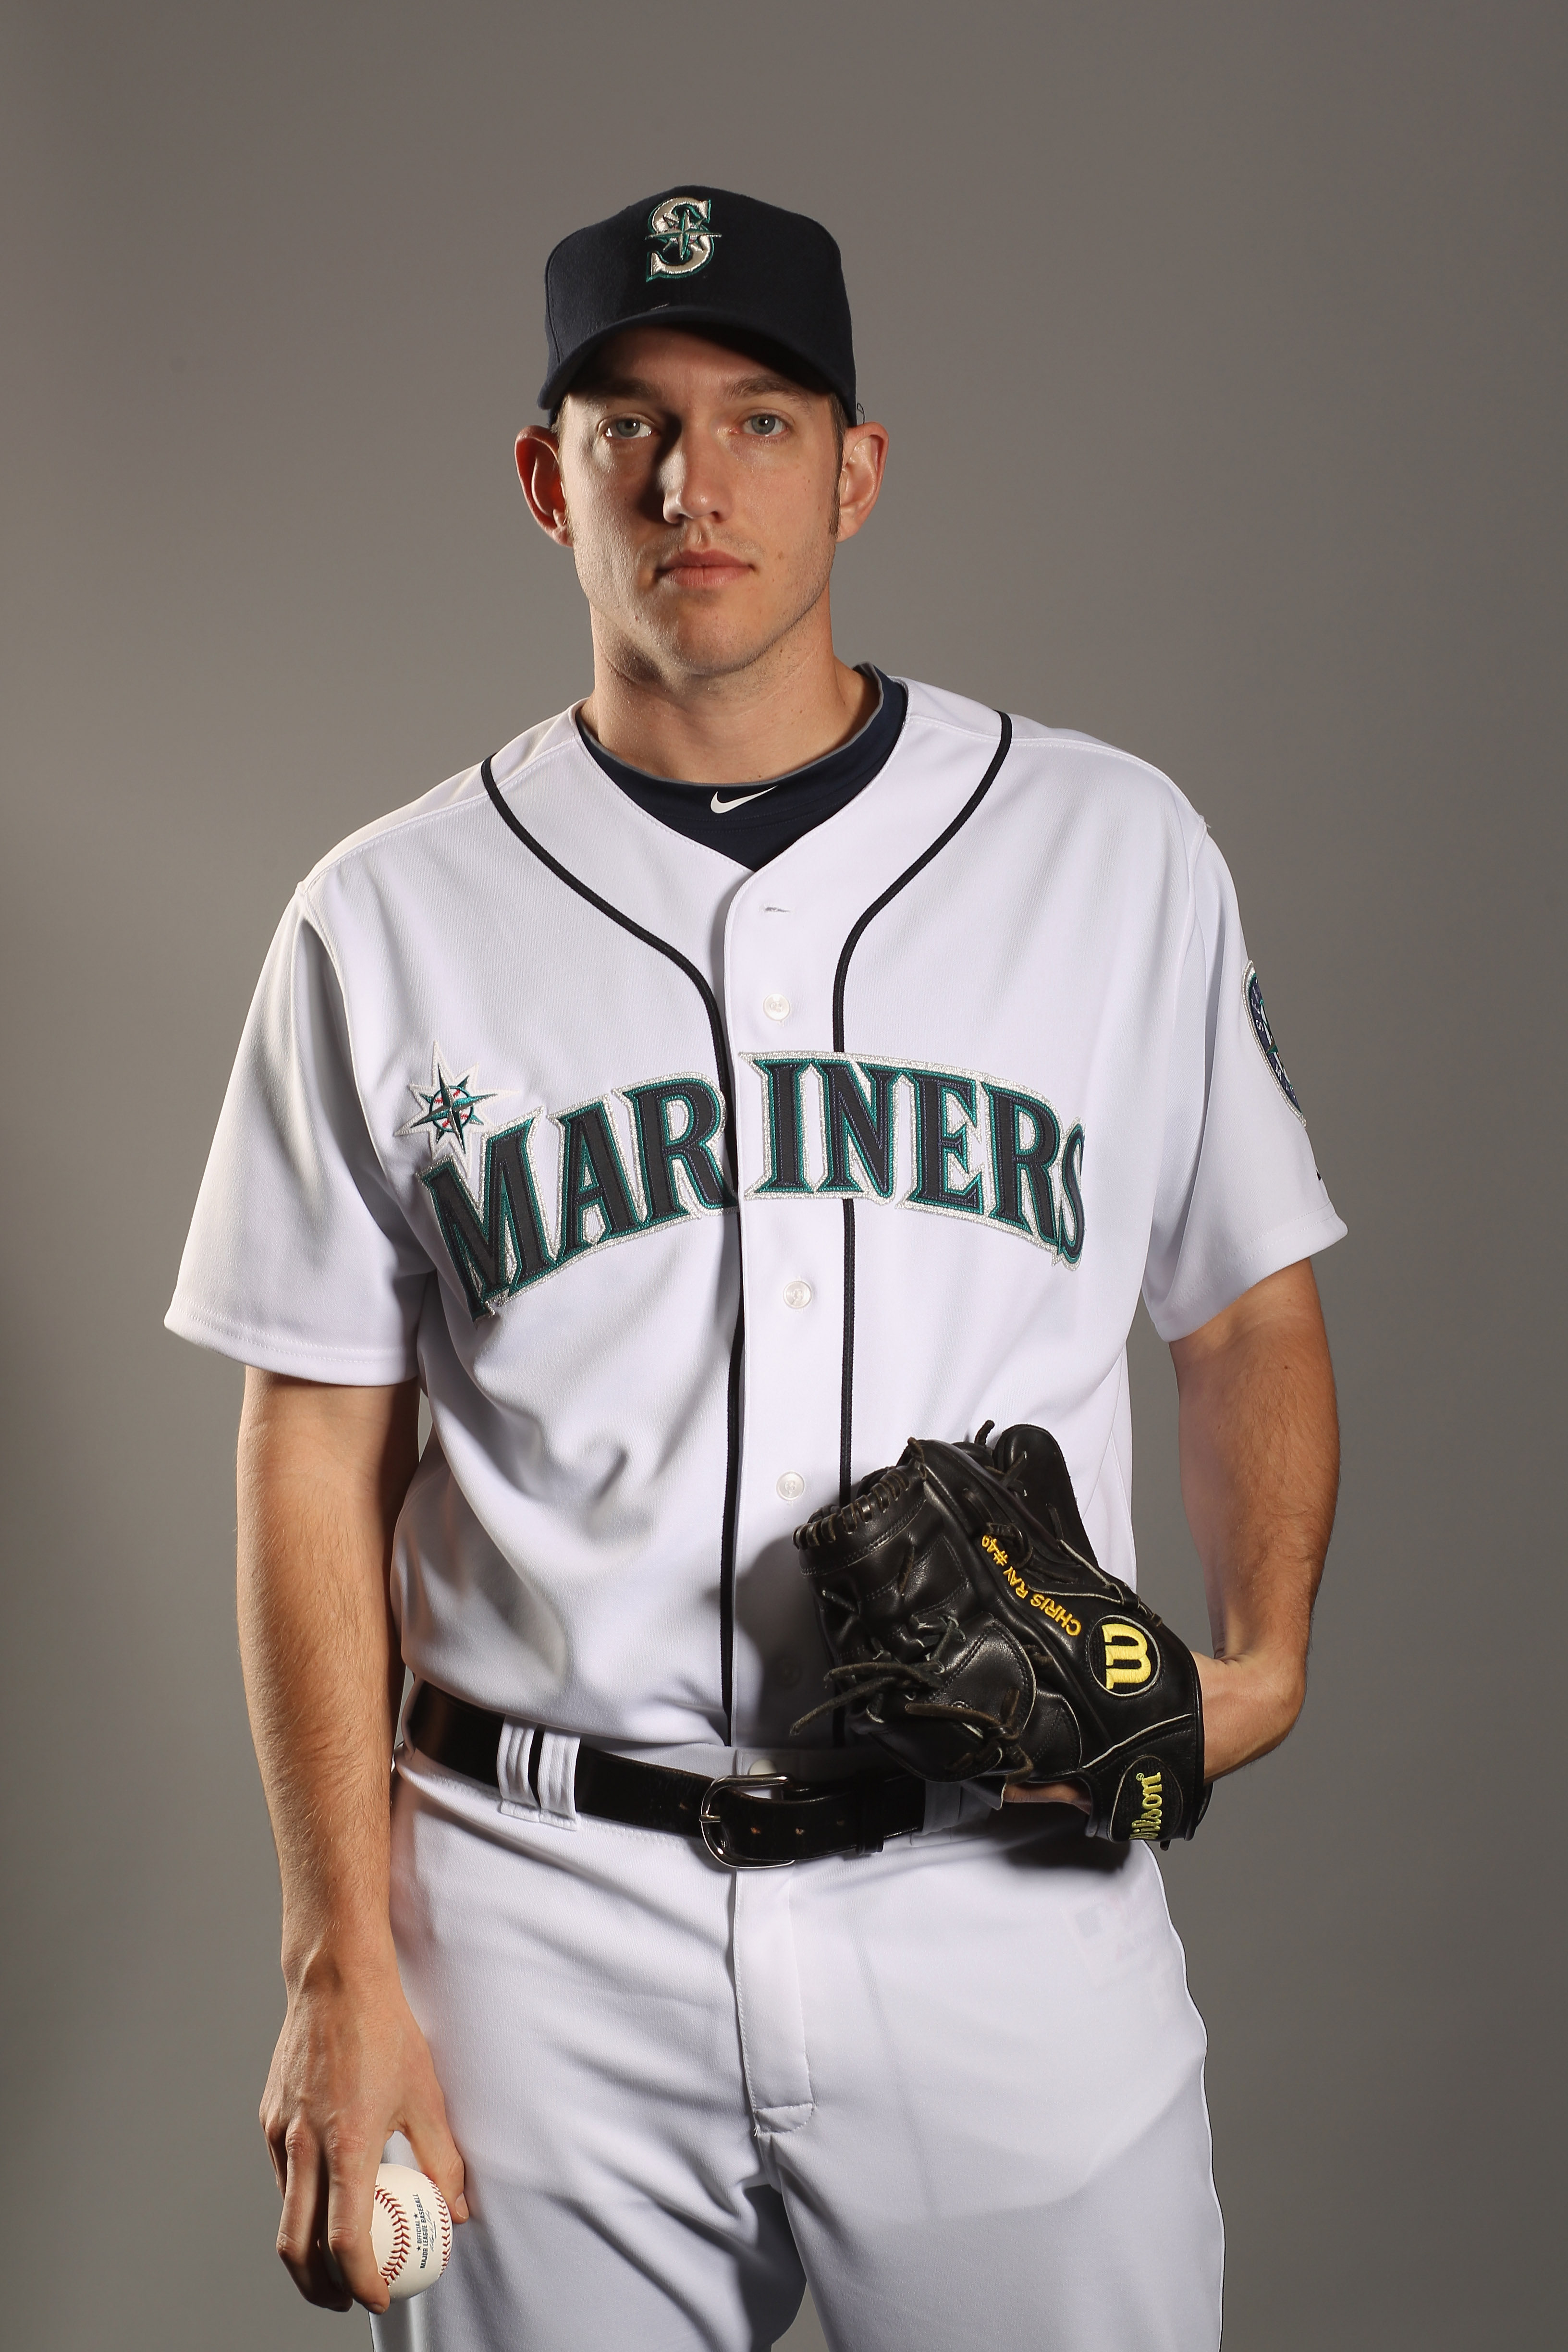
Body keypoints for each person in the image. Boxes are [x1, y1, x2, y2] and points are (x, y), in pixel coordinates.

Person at [168, 186, 1343, 2351]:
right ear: (549, 482)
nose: (693, 481)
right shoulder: (385, 918)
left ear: (857, 468)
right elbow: (308, 1441)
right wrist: (342, 1971)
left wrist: (1257, 1667)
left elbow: (1249, 1300)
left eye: (763, 419)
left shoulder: (1111, 849)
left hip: (1004, 1897)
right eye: (629, 424)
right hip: (532, 1925)